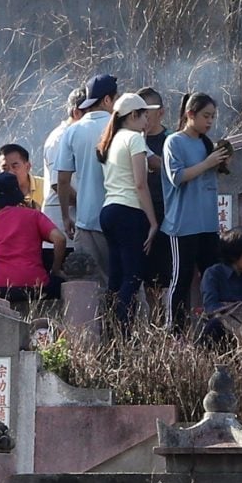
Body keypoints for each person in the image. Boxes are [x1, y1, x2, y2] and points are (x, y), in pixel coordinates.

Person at [161, 92, 230, 330]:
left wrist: (221, 162)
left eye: (213, 117)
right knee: (181, 278)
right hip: (183, 223)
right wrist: (208, 163)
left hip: (208, 223)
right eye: (205, 116)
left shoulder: (205, 142)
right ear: (190, 114)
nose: (210, 122)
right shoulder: (174, 142)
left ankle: (216, 327)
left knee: (212, 276)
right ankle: (174, 330)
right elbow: (178, 177)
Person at [97, 92, 161, 331]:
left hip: (109, 210)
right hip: (129, 211)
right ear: (133, 115)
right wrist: (153, 222)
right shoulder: (133, 139)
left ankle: (110, 333)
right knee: (133, 277)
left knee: (116, 278)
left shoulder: (111, 139)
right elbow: (139, 183)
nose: (148, 119)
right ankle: (124, 332)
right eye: (144, 114)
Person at [57, 74, 119, 286]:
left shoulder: (73, 131)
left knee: (89, 284)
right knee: (121, 280)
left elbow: (63, 179)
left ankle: (94, 320)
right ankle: (124, 320)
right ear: (107, 100)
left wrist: (66, 216)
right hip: (120, 217)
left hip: (86, 219)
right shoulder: (121, 128)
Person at [0, 172, 66, 302]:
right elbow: (60, 239)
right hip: (33, 285)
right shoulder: (33, 216)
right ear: (17, 194)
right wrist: (55, 270)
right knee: (60, 283)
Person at [0, 144, 45, 271]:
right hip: (7, 255)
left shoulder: (45, 187)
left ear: (27, 166)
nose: (10, 172)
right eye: (5, 168)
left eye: (15, 166)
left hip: (41, 251)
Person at [138, 86, 173, 315]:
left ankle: (166, 325)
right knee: (145, 277)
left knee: (166, 277)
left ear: (160, 112)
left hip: (166, 214)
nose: (141, 117)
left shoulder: (172, 141)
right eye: (137, 111)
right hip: (139, 214)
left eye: (145, 111)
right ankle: (152, 321)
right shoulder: (131, 139)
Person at [43, 87, 85, 236]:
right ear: (76, 113)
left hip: (75, 223)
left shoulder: (74, 136)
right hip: (61, 229)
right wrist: (86, 204)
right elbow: (58, 183)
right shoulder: (59, 138)